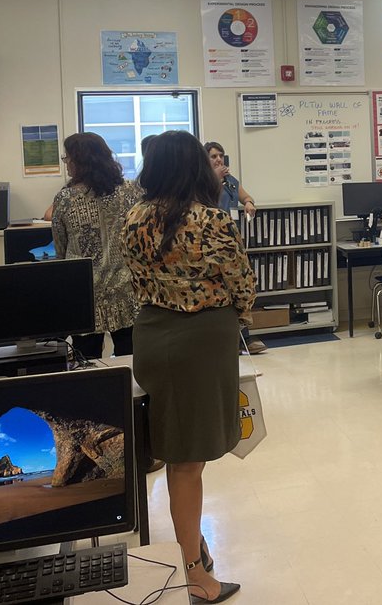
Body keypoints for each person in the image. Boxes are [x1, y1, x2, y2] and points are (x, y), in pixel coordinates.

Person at [122, 131, 255, 605]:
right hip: (202, 339)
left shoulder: (133, 217)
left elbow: (136, 281)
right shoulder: (214, 221)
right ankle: (194, 572)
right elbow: (243, 284)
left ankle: (192, 539)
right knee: (188, 461)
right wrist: (234, 317)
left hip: (153, 334)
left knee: (177, 446)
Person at [50, 133, 142, 359]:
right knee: (130, 361)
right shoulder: (130, 191)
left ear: (80, 160)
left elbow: (60, 248)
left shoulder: (65, 198)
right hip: (126, 290)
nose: (66, 163)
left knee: (86, 363)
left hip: (84, 293)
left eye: (67, 158)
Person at [204, 141, 256, 218]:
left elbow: (246, 197)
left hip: (232, 224)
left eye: (221, 156)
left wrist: (249, 203)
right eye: (214, 156)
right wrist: (216, 178)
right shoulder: (202, 181)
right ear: (206, 160)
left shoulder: (230, 179)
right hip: (214, 225)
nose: (219, 159)